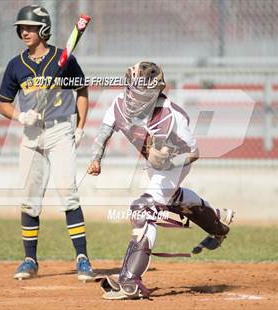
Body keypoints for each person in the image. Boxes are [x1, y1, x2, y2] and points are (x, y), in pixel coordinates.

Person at [87, 61, 235, 299]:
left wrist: (169, 164)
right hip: (154, 162)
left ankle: (130, 280)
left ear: (155, 92)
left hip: (175, 164)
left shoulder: (171, 114)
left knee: (142, 208)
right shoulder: (118, 104)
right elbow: (105, 130)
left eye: (141, 92)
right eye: (132, 89)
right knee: (172, 199)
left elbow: (193, 153)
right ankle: (217, 224)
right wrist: (96, 158)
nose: (134, 97)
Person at [0, 4, 94, 281]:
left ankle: (82, 258)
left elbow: (82, 90)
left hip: (60, 132)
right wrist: (20, 116)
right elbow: (3, 103)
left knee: (68, 192)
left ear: (44, 30)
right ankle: (29, 260)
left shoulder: (63, 58)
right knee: (29, 200)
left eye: (30, 27)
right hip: (30, 135)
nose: (24, 32)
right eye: (22, 28)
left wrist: (80, 125)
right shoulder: (16, 65)